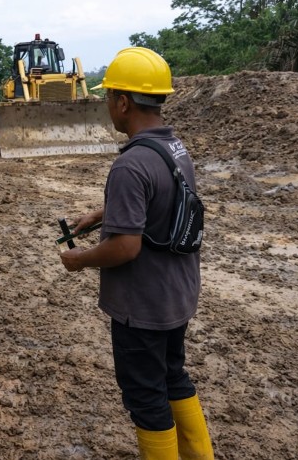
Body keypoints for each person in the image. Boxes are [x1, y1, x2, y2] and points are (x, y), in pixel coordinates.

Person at [59, 47, 214, 460]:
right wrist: (101, 213)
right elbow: (162, 200)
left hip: (142, 307)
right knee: (172, 376)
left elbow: (126, 247)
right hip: (175, 298)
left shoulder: (129, 165)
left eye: (108, 97)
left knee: (146, 398)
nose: (107, 105)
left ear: (123, 102)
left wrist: (81, 259)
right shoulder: (175, 150)